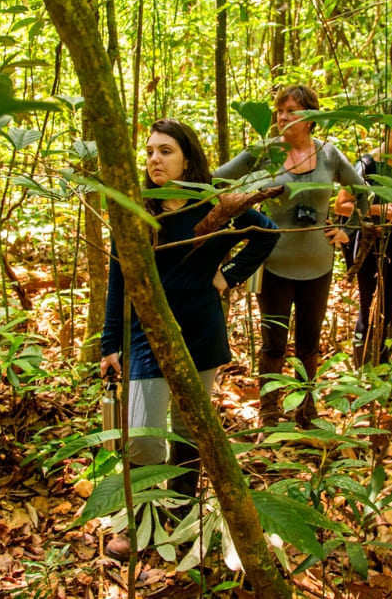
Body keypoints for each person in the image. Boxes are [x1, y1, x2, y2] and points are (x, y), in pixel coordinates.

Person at [99, 118, 279, 561]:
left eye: (165, 151)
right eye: (149, 152)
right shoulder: (137, 208)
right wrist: (109, 343)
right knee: (141, 433)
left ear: (187, 157)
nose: (154, 160)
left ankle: (179, 514)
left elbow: (266, 232)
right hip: (147, 334)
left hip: (200, 329)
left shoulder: (212, 201)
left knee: (188, 429)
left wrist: (229, 277)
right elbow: (117, 280)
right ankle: (141, 517)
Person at [214, 84, 366, 431]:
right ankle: (269, 413)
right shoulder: (265, 152)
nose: (283, 117)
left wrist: (348, 229)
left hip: (318, 263)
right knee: (273, 343)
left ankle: (307, 410)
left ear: (311, 117)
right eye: (280, 111)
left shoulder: (328, 154)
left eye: (292, 111)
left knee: (309, 344)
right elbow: (218, 180)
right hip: (273, 263)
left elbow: (362, 189)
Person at [335, 103, 392, 365]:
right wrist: (375, 208)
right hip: (370, 243)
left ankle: (383, 369)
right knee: (369, 307)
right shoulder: (367, 165)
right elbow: (341, 204)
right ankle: (362, 370)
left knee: (391, 309)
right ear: (385, 131)